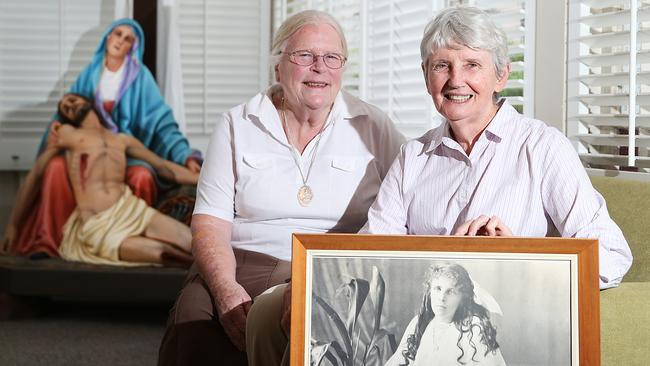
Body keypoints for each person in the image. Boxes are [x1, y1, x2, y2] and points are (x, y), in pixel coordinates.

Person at [157, 9, 405, 366]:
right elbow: (210, 221)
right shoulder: (237, 123)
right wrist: (226, 288)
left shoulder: (373, 125)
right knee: (195, 319)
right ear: (278, 66)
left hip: (330, 268)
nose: (319, 67)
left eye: (331, 57)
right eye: (304, 55)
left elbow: (411, 190)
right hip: (244, 262)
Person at [363, 6, 632, 289]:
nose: (455, 80)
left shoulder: (542, 147)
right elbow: (370, 256)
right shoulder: (412, 157)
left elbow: (610, 258)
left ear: (501, 76)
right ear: (426, 76)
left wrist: (517, 256)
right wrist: (443, 258)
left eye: (472, 65)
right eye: (442, 65)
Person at [8, 18, 201, 258]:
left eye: (127, 37)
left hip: (125, 167)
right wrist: (13, 225)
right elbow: (37, 170)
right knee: (55, 167)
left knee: (145, 177)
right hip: (97, 214)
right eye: (116, 33)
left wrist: (191, 162)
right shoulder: (88, 79)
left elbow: (162, 128)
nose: (120, 40)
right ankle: (50, 241)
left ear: (133, 46)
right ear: (107, 37)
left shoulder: (139, 82)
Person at [4, 93, 197, 267]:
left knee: (193, 241)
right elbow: (36, 175)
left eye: (71, 100)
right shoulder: (68, 134)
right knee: (165, 254)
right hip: (97, 223)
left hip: (131, 210)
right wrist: (13, 225)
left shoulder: (121, 139)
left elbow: (163, 167)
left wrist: (201, 177)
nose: (69, 106)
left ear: (88, 101)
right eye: (65, 109)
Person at [385, 262, 506, 366]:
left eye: (451, 292)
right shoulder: (419, 322)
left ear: (462, 298)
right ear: (429, 292)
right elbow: (399, 360)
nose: (442, 298)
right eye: (437, 289)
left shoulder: (472, 328)